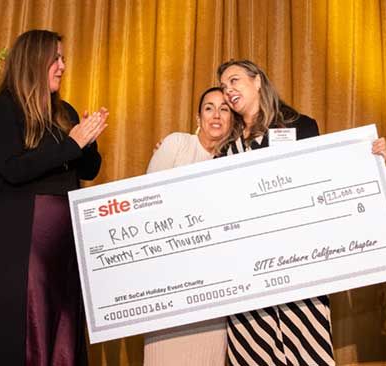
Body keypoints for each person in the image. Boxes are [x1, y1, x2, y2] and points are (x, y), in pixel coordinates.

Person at [0, 29, 107, 366]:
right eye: (57, 58)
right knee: (26, 328)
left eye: (63, 59)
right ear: (34, 61)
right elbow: (14, 169)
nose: (63, 66)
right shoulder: (0, 108)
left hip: (64, 243)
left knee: (63, 326)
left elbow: (90, 168)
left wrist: (87, 140)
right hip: (22, 244)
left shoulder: (64, 110)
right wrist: (71, 144)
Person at [216, 59, 335, 365]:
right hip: (248, 269)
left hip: (300, 261)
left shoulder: (300, 126)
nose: (228, 90)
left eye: (234, 80)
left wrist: (369, 155)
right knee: (254, 351)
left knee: (307, 349)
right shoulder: (226, 148)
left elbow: (328, 178)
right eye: (224, 86)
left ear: (257, 81)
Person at [141, 87, 233, 365]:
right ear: (198, 116)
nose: (216, 115)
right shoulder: (177, 144)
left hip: (214, 285)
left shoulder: (235, 159)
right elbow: (146, 201)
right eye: (209, 108)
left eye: (225, 109)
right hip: (169, 281)